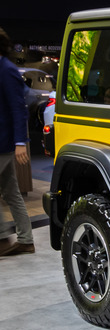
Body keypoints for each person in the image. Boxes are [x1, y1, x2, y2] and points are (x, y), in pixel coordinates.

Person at [0, 27, 35, 257]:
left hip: (2, 142)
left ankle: (3, 239)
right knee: (11, 191)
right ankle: (25, 240)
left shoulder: (6, 69)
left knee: (10, 190)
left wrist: (21, 142)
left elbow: (17, 108)